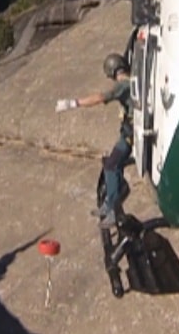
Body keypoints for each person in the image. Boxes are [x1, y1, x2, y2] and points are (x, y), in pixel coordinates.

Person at [55, 52, 132, 229]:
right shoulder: (132, 82)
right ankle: (111, 201)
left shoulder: (123, 85)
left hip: (131, 135)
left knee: (112, 165)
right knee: (111, 163)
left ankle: (113, 207)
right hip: (129, 132)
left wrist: (73, 103)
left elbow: (100, 97)